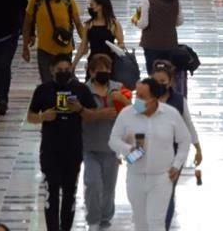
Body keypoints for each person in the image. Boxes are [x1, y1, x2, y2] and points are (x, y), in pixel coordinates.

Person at [109, 78, 192, 231]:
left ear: (155, 99)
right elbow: (113, 140)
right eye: (136, 95)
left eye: (142, 97)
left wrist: (177, 165)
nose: (137, 100)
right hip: (135, 176)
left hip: (161, 177)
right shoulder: (127, 114)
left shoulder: (171, 114)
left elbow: (184, 140)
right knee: (141, 223)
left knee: (156, 222)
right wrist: (128, 149)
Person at [27, 54, 99, 231]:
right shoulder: (43, 90)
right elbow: (30, 116)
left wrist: (80, 109)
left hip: (73, 148)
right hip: (50, 149)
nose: (64, 73)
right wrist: (44, 116)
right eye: (60, 70)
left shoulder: (80, 89)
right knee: (51, 192)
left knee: (69, 193)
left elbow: (93, 115)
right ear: (52, 70)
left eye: (67, 70)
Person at [150, 61, 203, 229]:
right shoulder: (143, 99)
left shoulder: (179, 101)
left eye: (163, 81)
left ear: (170, 81)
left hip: (173, 154)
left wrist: (198, 148)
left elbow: (188, 124)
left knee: (167, 193)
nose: (159, 85)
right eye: (155, 81)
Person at [81, 55, 128, 231]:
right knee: (93, 183)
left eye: (107, 69)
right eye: (100, 69)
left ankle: (106, 218)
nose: (104, 73)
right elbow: (79, 114)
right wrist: (99, 115)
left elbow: (136, 111)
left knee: (109, 187)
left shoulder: (119, 88)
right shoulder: (84, 91)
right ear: (92, 72)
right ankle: (93, 219)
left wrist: (122, 100)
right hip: (90, 147)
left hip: (111, 148)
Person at [22, 0, 87, 84]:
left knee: (65, 81)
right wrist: (25, 46)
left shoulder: (68, 2)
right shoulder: (36, 1)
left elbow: (78, 24)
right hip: (44, 51)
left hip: (64, 51)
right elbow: (27, 23)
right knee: (48, 84)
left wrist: (84, 42)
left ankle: (65, 101)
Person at [135, 0, 184, 73]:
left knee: (153, 73)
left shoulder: (148, 0)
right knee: (167, 73)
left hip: (151, 44)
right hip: (170, 43)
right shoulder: (175, 0)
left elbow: (144, 24)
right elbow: (179, 21)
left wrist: (136, 21)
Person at [73, 0, 126, 72]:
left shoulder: (113, 24)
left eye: (92, 5)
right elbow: (82, 46)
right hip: (93, 63)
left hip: (109, 64)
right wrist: (74, 64)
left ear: (100, 6)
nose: (90, 8)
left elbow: (121, 43)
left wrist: (117, 47)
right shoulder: (89, 25)